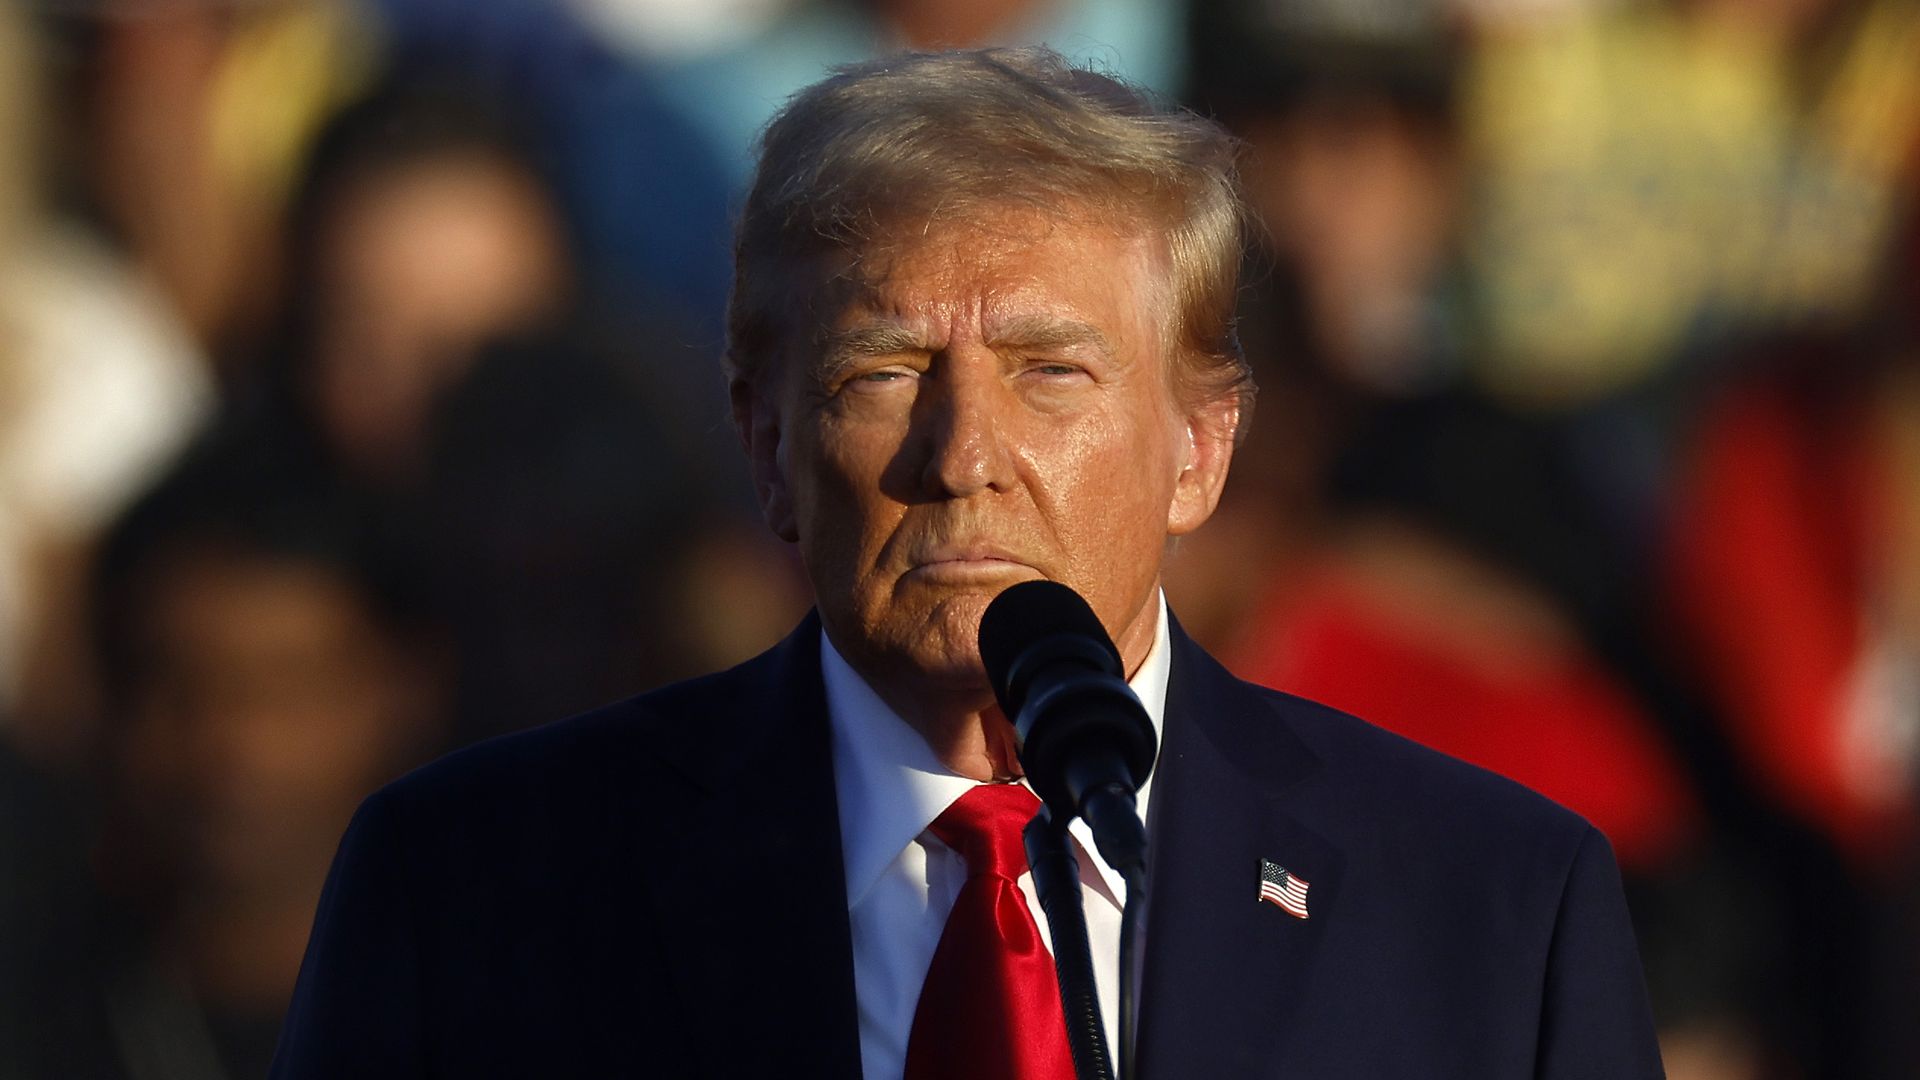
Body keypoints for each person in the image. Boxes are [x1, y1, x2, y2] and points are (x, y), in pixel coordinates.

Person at [271, 47, 1665, 1078]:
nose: (962, 453)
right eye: (883, 370)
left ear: (1200, 449)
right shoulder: (470, 892)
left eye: (1051, 373)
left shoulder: (1489, 913)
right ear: (765, 443)